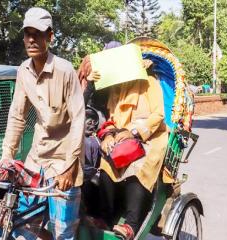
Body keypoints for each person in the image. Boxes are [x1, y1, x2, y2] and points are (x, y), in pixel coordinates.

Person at [0, 7, 85, 240]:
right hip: (36, 158)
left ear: (50, 36)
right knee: (21, 225)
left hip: (64, 160)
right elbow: (17, 115)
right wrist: (6, 156)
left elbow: (78, 118)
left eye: (37, 33)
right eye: (27, 33)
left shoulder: (65, 70)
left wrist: (70, 165)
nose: (31, 39)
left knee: (63, 231)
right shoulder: (23, 71)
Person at [78, 41, 168, 240]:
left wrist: (133, 131)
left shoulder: (150, 83)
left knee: (138, 165)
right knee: (106, 164)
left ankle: (131, 224)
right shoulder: (116, 90)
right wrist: (108, 135)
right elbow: (111, 119)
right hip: (120, 139)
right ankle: (105, 218)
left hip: (150, 139)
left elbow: (158, 116)